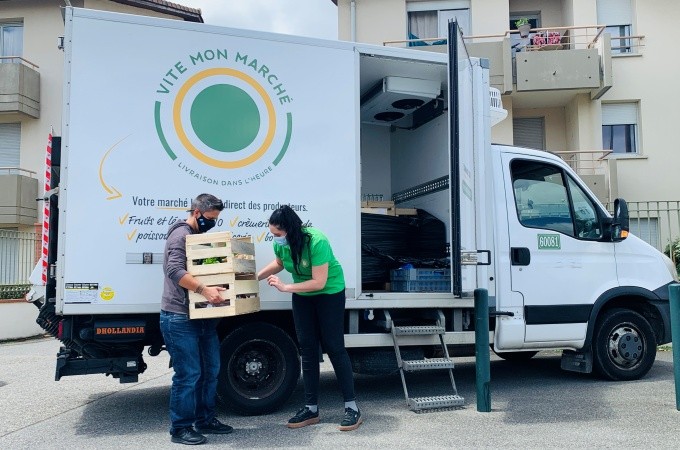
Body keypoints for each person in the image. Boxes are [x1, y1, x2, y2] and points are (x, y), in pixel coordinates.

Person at [257, 205, 363, 431]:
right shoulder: (282, 244)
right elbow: (278, 263)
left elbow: (319, 282)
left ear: (291, 229)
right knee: (307, 348)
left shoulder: (317, 241)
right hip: (303, 295)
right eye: (272, 234)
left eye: (277, 234)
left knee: (334, 347)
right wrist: (255, 277)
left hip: (329, 293)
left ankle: (352, 408)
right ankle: (311, 408)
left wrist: (286, 287)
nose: (275, 239)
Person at [160, 193, 233, 445]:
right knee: (188, 374)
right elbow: (174, 271)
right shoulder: (180, 235)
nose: (212, 223)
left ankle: (205, 419)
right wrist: (204, 290)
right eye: (210, 218)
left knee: (210, 371)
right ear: (197, 213)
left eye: (216, 219)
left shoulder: (196, 237)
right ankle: (180, 428)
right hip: (179, 317)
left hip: (202, 316)